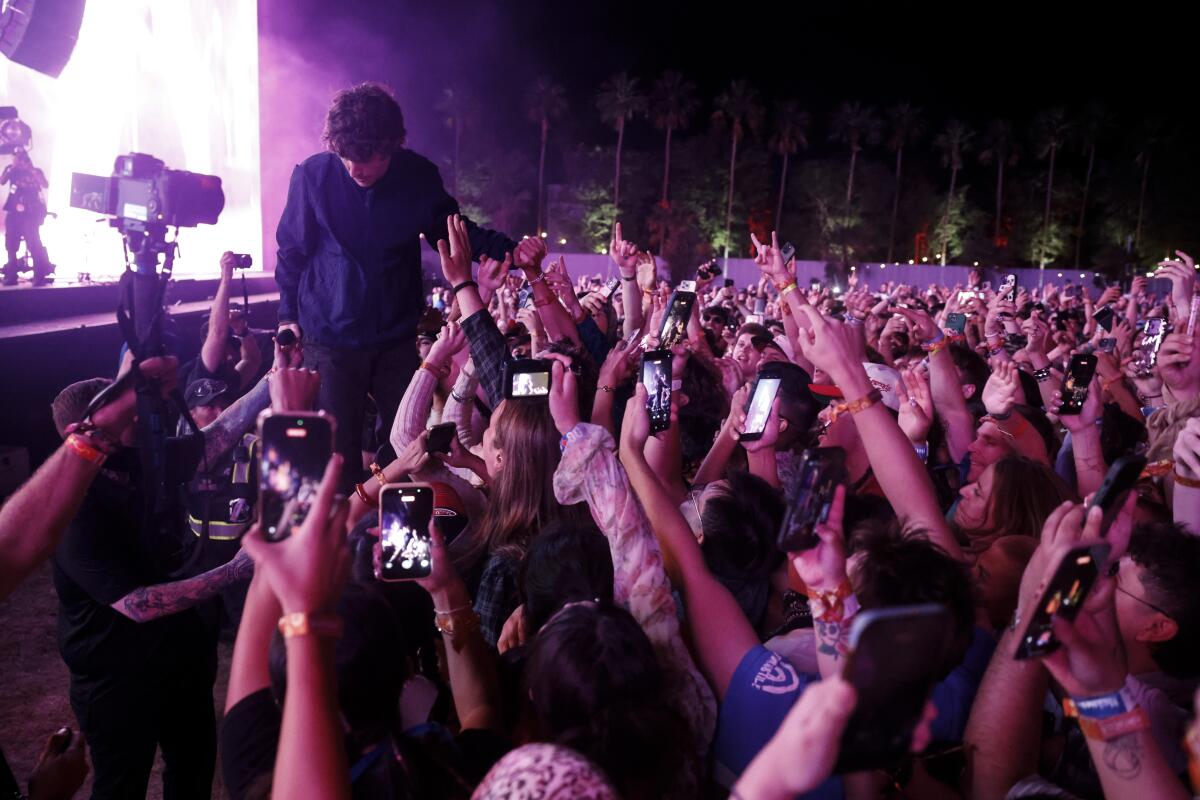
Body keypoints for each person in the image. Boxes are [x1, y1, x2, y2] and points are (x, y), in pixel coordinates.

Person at [274, 83, 517, 483]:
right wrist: (287, 316)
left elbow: (456, 233)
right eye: (346, 157)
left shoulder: (418, 177)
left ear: (391, 147)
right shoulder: (312, 176)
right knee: (336, 451)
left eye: (367, 159)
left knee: (405, 445)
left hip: (394, 337)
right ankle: (344, 536)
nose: (355, 169)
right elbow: (292, 250)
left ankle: (395, 533)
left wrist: (512, 250)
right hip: (329, 338)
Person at [2, 148, 52, 286]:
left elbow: (45, 184)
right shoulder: (11, 170)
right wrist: (12, 168)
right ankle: (11, 275)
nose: (17, 160)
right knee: (11, 245)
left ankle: (39, 276)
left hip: (31, 212)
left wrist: (31, 170)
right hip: (13, 211)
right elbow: (2, 181)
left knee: (33, 243)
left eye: (20, 157)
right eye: (15, 157)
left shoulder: (35, 171)